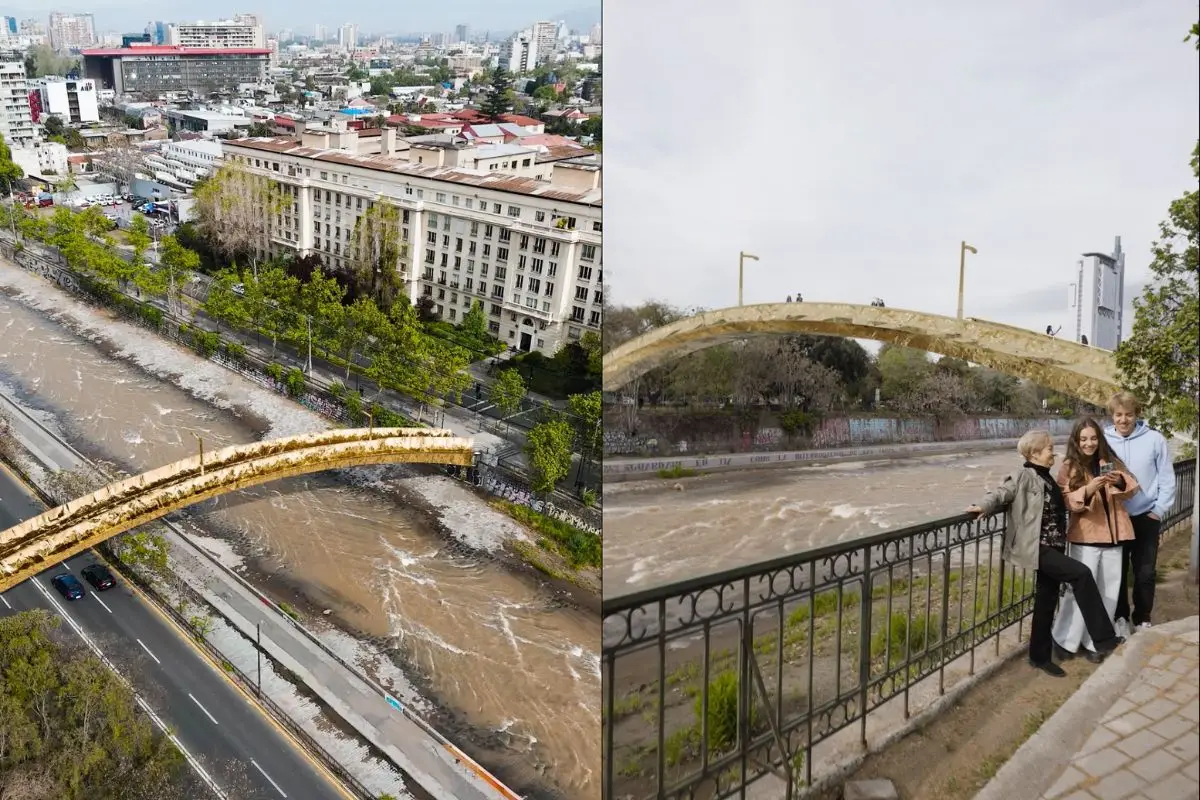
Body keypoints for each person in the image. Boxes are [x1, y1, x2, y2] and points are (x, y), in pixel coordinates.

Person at [966, 430, 1123, 677]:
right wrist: (984, 506)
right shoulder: (1023, 475)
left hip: (1054, 545)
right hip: (1038, 547)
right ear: (1034, 453)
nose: (1054, 451)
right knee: (1081, 574)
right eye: (1049, 448)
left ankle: (1038, 657)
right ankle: (1104, 638)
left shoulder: (1046, 477)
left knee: (1046, 600)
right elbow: (1001, 492)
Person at [1052, 418, 1139, 662]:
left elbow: (1132, 488)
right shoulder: (1068, 466)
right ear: (1076, 442)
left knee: (1109, 592)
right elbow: (1067, 501)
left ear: (1099, 439)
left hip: (1115, 536)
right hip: (1085, 538)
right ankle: (1063, 640)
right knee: (1078, 593)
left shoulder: (1110, 461)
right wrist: (1089, 488)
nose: (1089, 443)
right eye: (1084, 439)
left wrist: (1118, 481)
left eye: (1093, 438)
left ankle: (1095, 643)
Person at [1104, 392, 1176, 634]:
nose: (1123, 420)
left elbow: (1167, 478)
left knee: (1145, 572)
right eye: (1118, 415)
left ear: (1137, 415)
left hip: (1146, 516)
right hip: (1116, 518)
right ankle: (1121, 616)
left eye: (1128, 414)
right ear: (1112, 416)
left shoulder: (1155, 440)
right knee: (1118, 571)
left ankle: (1143, 617)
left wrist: (1158, 510)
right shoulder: (1104, 440)